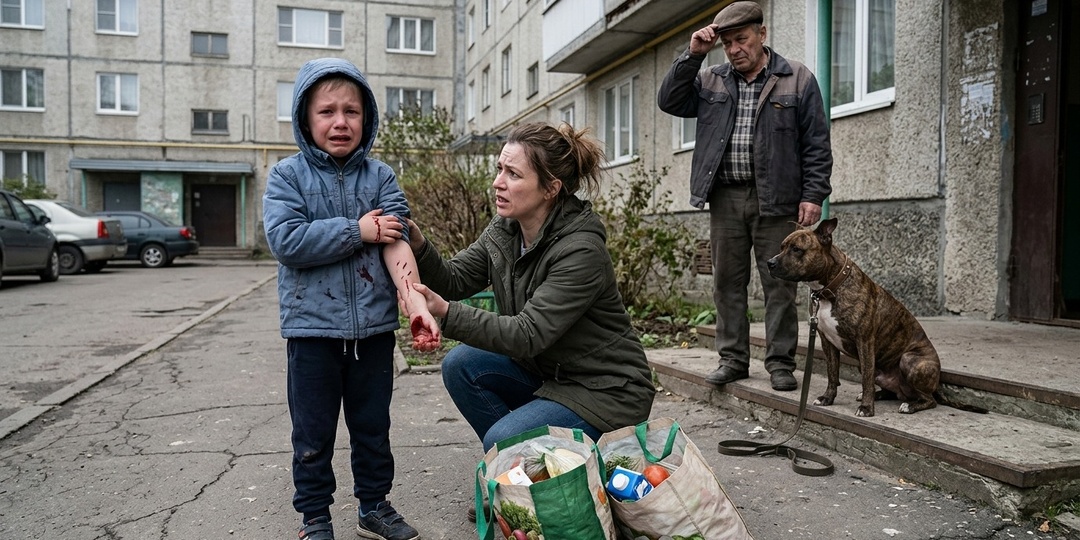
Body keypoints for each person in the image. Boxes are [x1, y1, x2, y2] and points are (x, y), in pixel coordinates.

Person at [404, 121, 655, 502]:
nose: (498, 182)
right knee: (462, 366)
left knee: (503, 440)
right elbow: (454, 279)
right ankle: (530, 474)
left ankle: (540, 474)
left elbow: (526, 334)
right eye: (499, 170)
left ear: (551, 189)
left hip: (605, 391)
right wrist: (420, 244)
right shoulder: (507, 229)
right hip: (548, 372)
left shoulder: (581, 250)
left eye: (513, 174)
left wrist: (445, 312)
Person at [263, 57, 439, 540]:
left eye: (352, 111)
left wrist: (414, 301)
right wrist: (355, 230)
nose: (341, 122)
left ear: (367, 118)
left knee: (372, 428)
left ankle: (373, 507)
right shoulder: (287, 177)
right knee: (313, 434)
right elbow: (287, 242)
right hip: (312, 333)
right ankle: (314, 517)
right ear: (305, 118)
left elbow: (396, 236)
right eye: (327, 112)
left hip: (374, 332)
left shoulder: (380, 176)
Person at [657, 1, 832, 392]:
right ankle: (733, 359)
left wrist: (814, 194)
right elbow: (669, 100)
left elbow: (817, 144)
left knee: (780, 284)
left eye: (742, 39)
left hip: (778, 199)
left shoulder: (797, 78)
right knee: (727, 283)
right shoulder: (711, 80)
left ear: (762, 35)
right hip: (726, 197)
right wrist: (693, 55)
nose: (735, 49)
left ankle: (780, 364)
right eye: (728, 43)